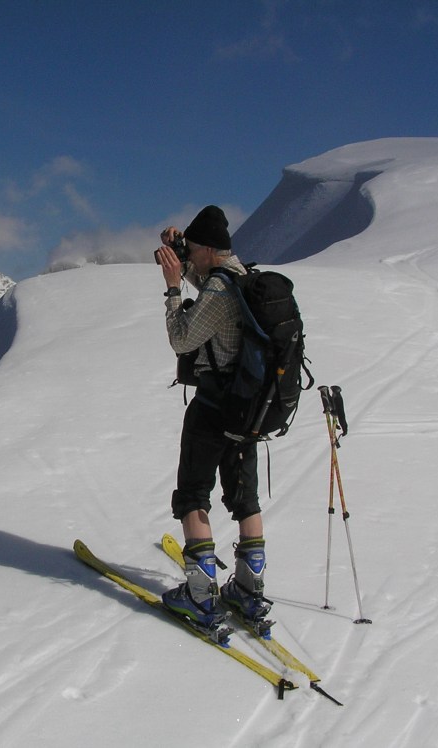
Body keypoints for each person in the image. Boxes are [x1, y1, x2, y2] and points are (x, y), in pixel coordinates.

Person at [155, 205, 270, 628]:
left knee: (193, 494)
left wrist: (172, 288)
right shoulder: (241, 277)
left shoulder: (219, 290)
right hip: (249, 407)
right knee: (244, 498)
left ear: (206, 248)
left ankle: (201, 598)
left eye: (193, 248)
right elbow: (210, 289)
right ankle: (249, 590)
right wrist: (182, 257)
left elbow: (183, 339)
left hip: (214, 406)